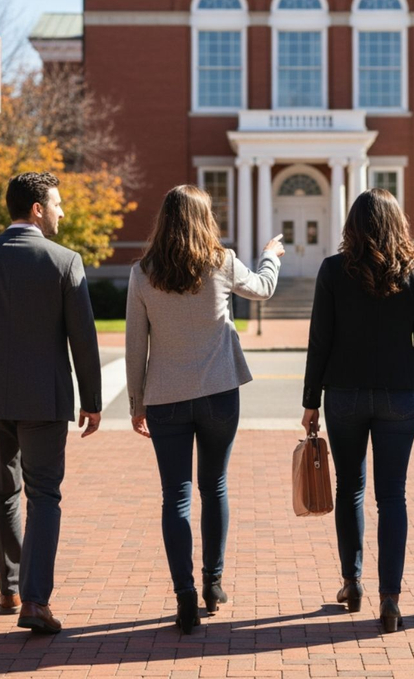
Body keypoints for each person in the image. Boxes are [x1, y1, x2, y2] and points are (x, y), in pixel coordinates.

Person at [0, 172, 102, 634]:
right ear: (36, 208)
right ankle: (35, 600)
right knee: (44, 496)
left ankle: (9, 588)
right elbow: (84, 340)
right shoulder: (64, 262)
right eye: (57, 204)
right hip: (45, 399)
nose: (61, 212)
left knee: (1, 491)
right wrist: (92, 401)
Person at [126, 184, 284, 634]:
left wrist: (136, 403)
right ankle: (213, 583)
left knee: (174, 496)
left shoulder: (143, 273)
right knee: (214, 486)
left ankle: (184, 596)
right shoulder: (223, 261)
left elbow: (136, 345)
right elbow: (263, 288)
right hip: (218, 393)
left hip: (165, 398)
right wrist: (271, 253)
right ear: (203, 219)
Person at [301, 188, 414, 633]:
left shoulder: (334, 270)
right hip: (401, 392)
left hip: (345, 393)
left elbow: (319, 340)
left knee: (351, 489)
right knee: (392, 496)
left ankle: (351, 582)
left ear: (352, 225)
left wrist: (310, 402)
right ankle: (390, 598)